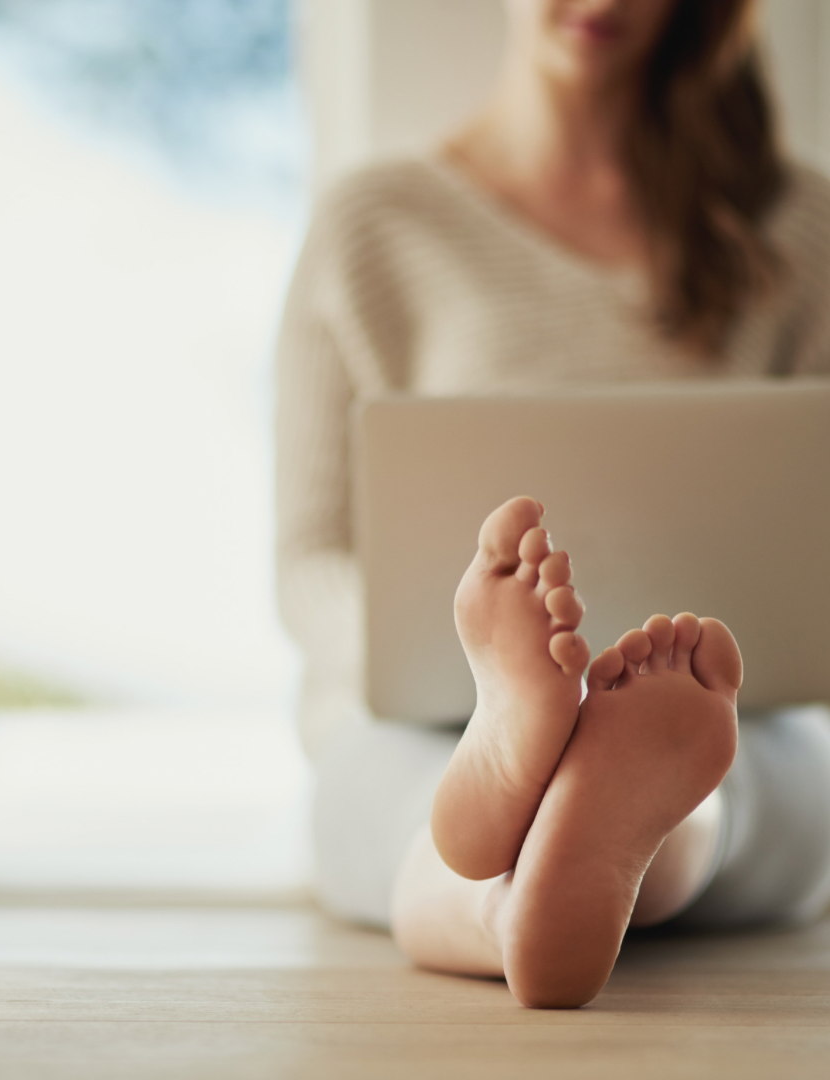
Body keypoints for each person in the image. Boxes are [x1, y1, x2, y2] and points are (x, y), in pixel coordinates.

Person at [275, 0, 830, 1008]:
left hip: (750, 712)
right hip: (416, 718)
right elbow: (312, 557)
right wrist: (447, 665)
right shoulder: (377, 225)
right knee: (410, 774)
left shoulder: (802, 232)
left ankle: (528, 886)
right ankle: (571, 827)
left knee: (736, 760)